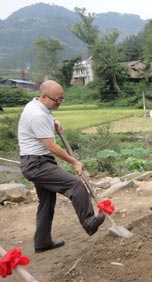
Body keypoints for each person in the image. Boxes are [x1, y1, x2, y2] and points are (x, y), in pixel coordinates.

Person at [17, 80, 105, 253]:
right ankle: (88, 222)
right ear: (44, 96)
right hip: (36, 164)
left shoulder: (39, 106)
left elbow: (46, 116)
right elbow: (52, 146)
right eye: (57, 100)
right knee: (75, 185)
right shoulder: (38, 115)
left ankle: (42, 242)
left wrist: (54, 121)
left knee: (47, 202)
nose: (59, 103)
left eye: (61, 99)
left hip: (36, 161)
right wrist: (74, 162)